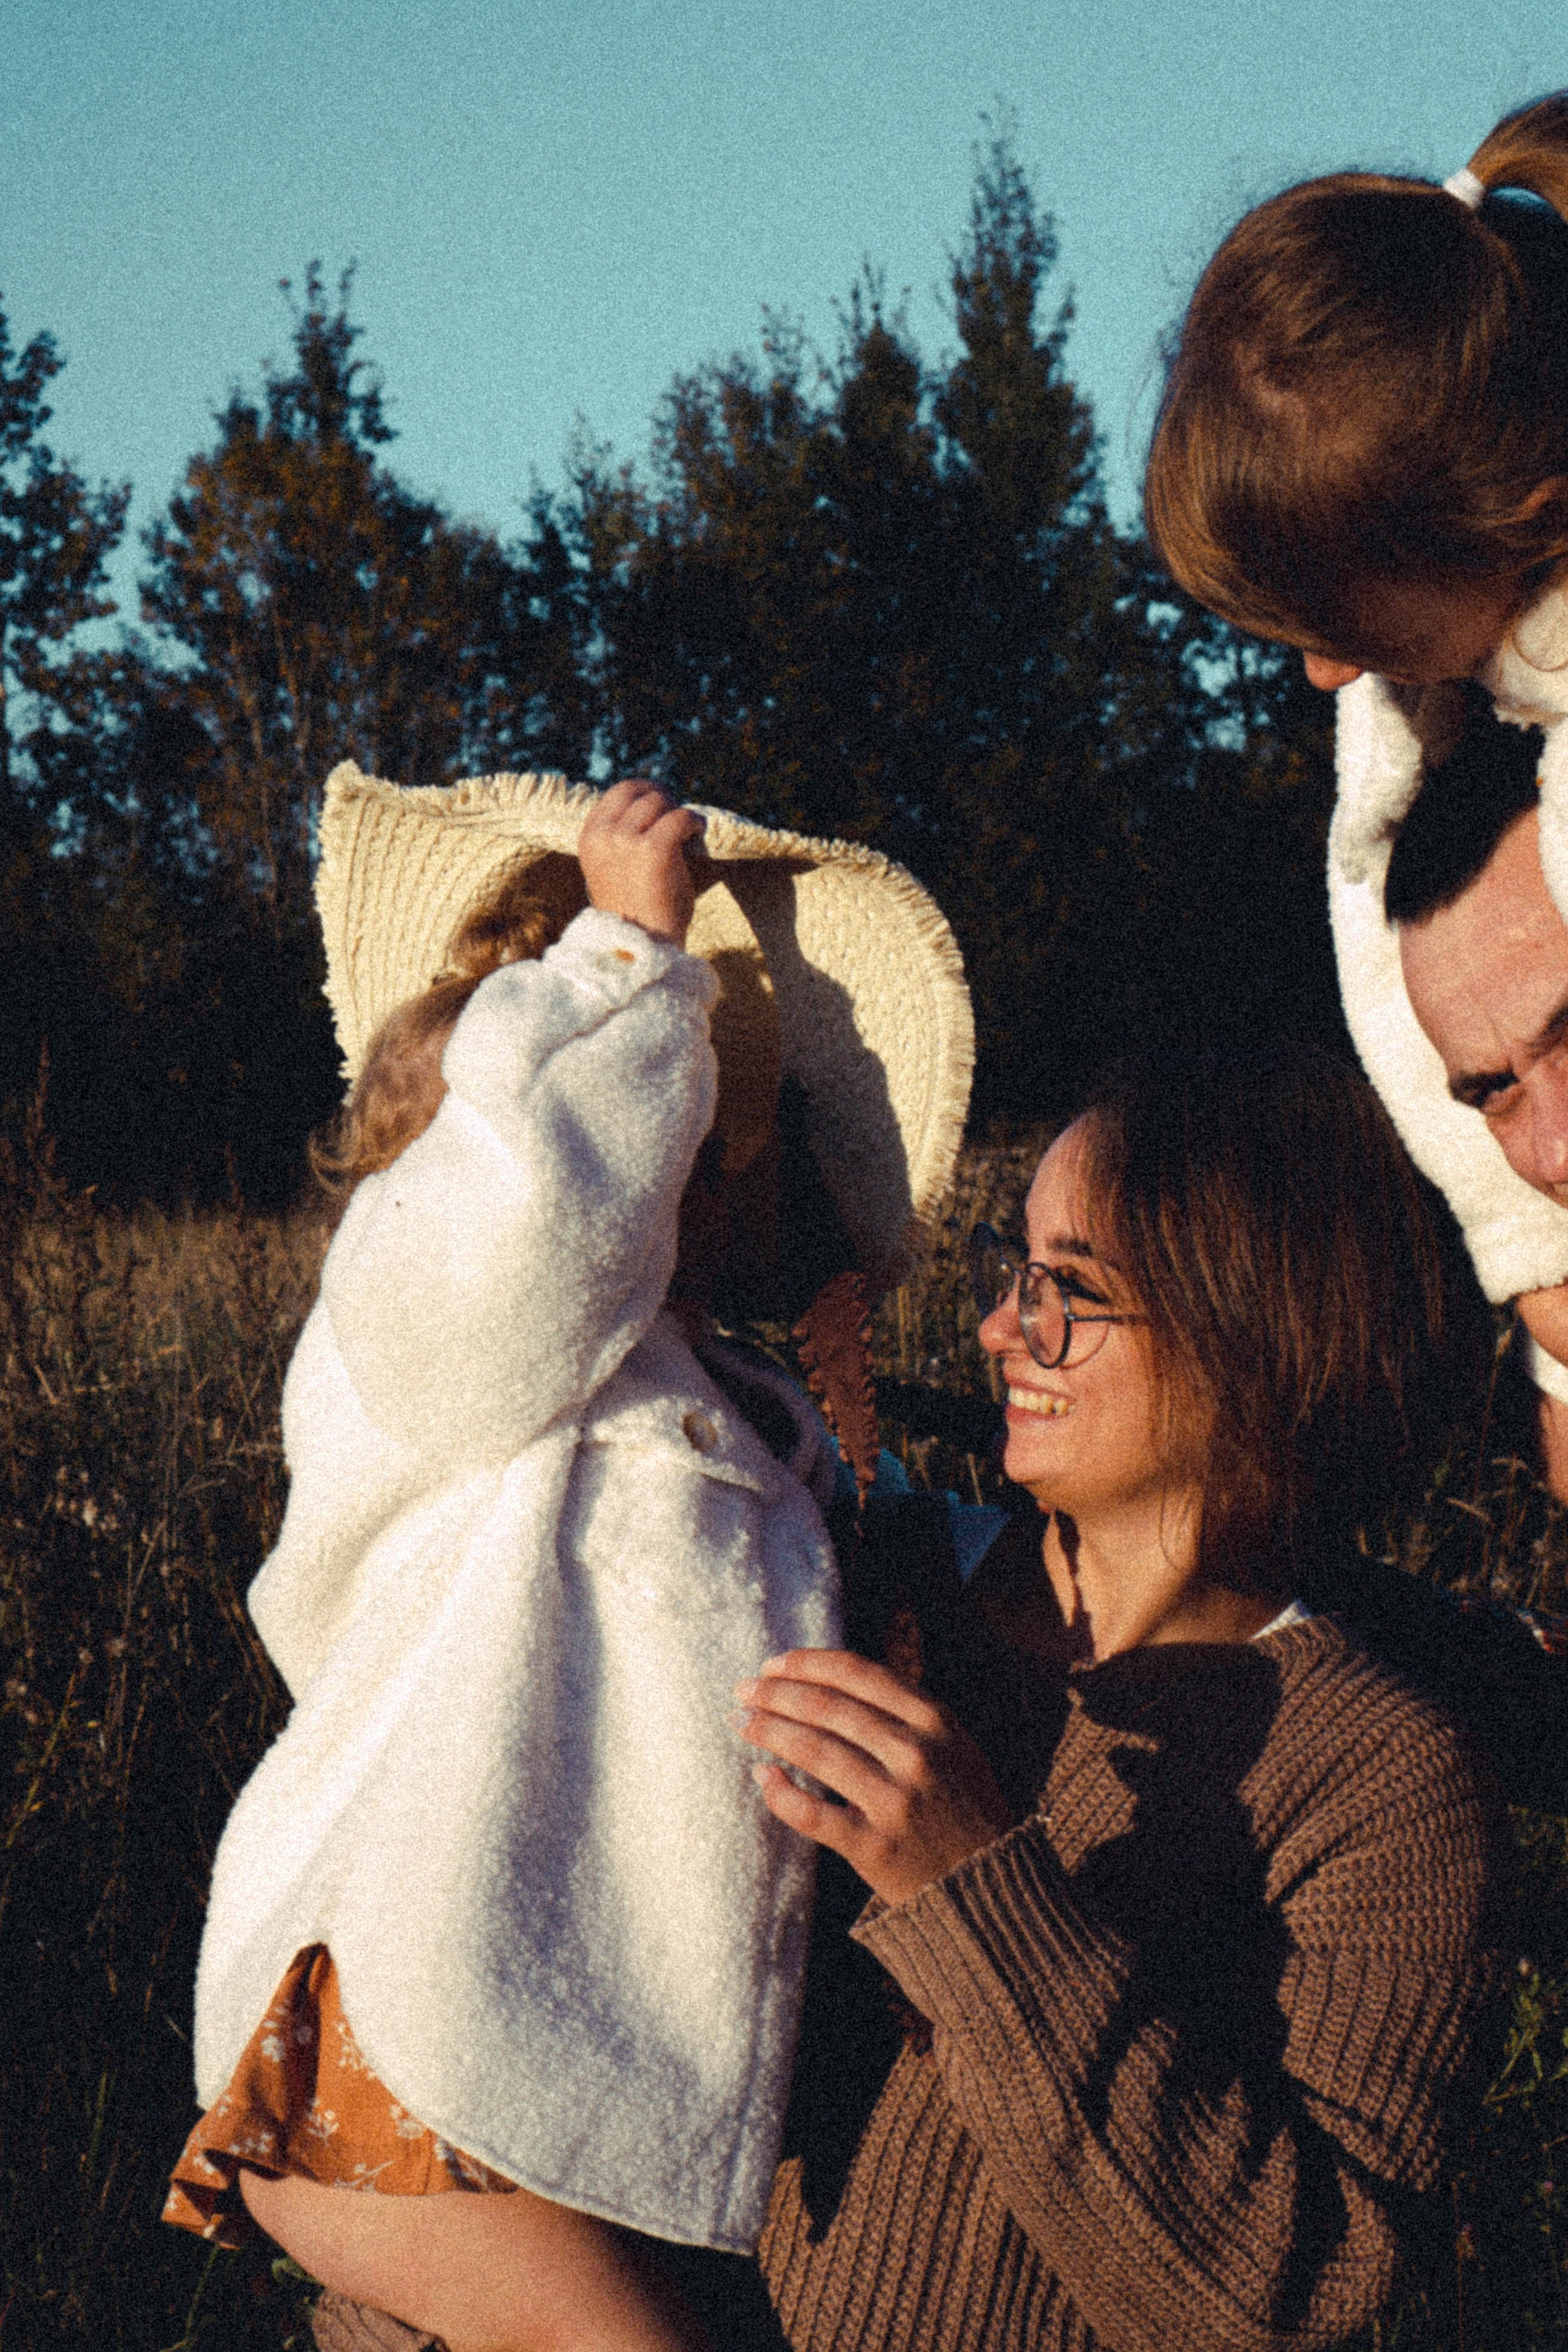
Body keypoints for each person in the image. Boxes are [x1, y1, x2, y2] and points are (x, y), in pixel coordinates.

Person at [162, 763, 975, 2352]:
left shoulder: (704, 1409)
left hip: (548, 2070)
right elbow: (515, 1253)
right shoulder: (422, 1322)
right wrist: (614, 964)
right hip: (399, 2029)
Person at [725, 1038, 1504, 2352]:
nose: (995, 1330)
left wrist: (973, 1891)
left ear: (1257, 1334)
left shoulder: (1385, 1781)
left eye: (1064, 1292)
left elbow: (1293, 2305)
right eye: (1011, 1273)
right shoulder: (851, 1571)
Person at [1144, 92, 1568, 1476]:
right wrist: (1526, 1266)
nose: (1328, 680)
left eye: (1352, 634)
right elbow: (1370, 930)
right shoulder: (1445, 652)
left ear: (1522, 522)